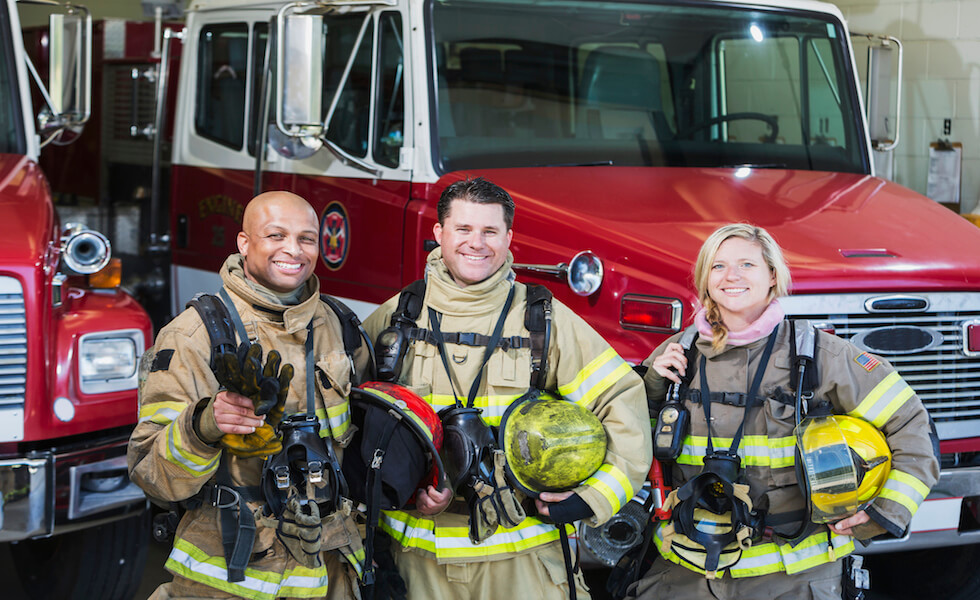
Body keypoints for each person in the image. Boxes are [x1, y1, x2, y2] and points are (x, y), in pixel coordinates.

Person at [362, 177, 652, 600]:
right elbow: (348, 426)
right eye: (463, 230)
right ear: (439, 233)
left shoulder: (543, 320)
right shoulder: (396, 318)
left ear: (509, 237)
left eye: (489, 231)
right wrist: (399, 492)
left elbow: (623, 402)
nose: (475, 243)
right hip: (416, 565)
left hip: (524, 567)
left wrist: (593, 498)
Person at [631, 223, 939, 600]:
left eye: (747, 265)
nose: (732, 276)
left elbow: (911, 425)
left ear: (772, 275)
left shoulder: (819, 356)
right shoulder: (675, 354)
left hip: (793, 577)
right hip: (685, 573)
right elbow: (632, 446)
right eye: (718, 266)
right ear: (704, 279)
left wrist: (887, 511)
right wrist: (652, 390)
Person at [129, 191, 369, 600]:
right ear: (243, 243)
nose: (293, 250)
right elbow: (152, 476)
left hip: (331, 570)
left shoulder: (338, 324)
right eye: (276, 235)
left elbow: (364, 442)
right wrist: (205, 425)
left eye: (307, 239)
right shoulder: (192, 335)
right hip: (230, 576)